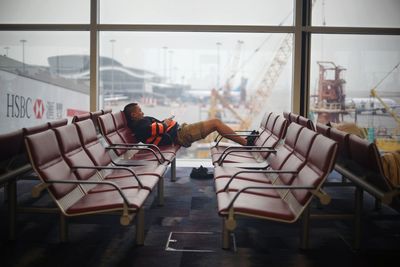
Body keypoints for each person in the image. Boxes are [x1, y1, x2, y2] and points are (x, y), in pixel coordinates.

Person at [123, 102, 256, 148]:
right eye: (139, 110)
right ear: (133, 115)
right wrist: (165, 123)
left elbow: (157, 128)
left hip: (180, 131)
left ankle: (245, 142)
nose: (142, 112)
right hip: (180, 135)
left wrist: (164, 123)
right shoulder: (140, 125)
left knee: (215, 122)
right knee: (216, 122)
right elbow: (159, 128)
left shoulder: (141, 124)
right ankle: (246, 143)